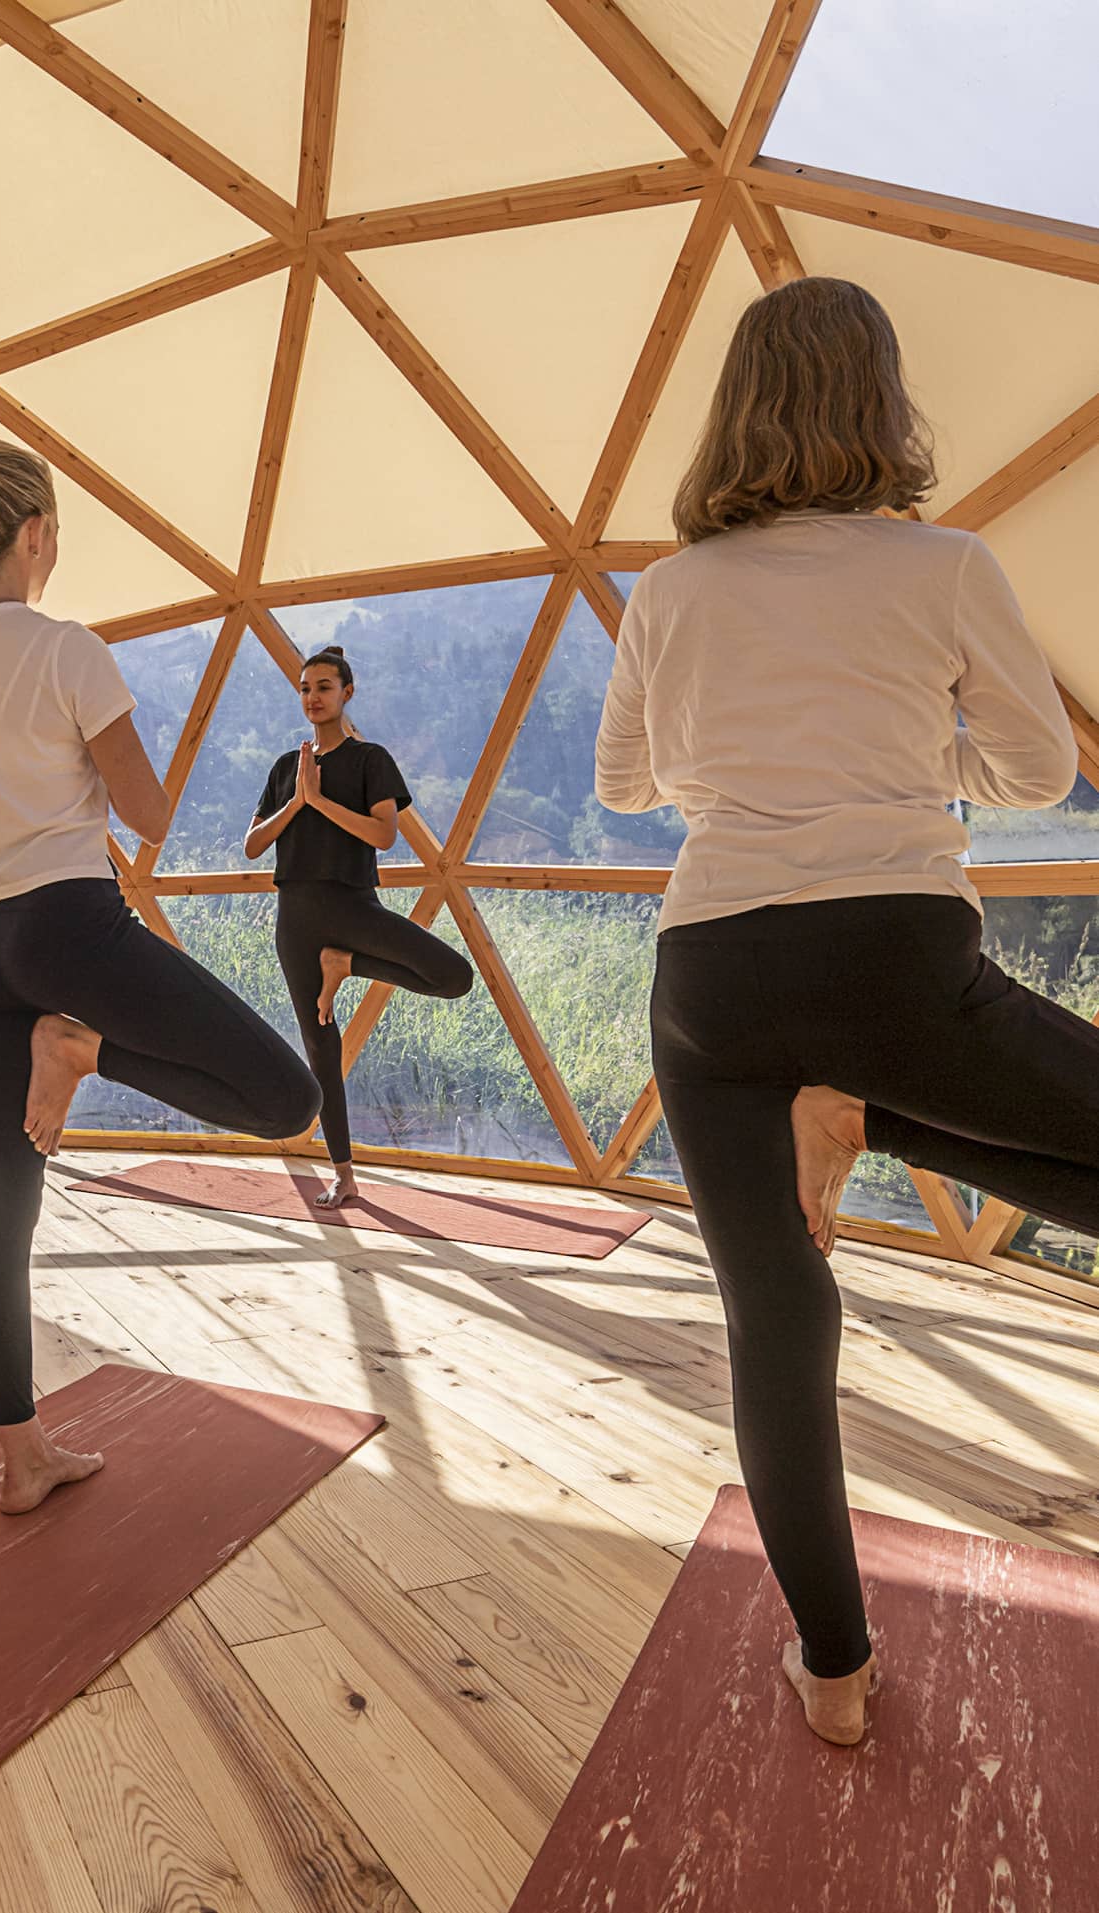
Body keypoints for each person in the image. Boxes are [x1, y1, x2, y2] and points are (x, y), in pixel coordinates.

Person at [596, 275, 1086, 1748]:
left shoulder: (671, 589)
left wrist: (743, 761)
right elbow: (1038, 771)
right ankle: (860, 1110)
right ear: (880, 400)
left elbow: (626, 786)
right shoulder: (938, 567)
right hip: (891, 959)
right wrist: (901, 733)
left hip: (714, 979)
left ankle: (833, 1673)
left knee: (775, 1321)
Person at [0, 429, 320, 1514]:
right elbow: (149, 810)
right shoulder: (68, 648)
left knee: (6, 1201)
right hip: (70, 923)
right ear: (35, 533)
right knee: (284, 1096)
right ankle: (81, 1045)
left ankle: (21, 1455)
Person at [245, 645, 473, 1208]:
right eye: (304, 688)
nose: (312, 697)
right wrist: (297, 802)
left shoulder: (371, 759)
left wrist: (319, 801)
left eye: (323, 686)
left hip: (352, 906)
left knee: (452, 975)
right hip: (296, 915)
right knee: (321, 1048)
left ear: (348, 692)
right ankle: (345, 1176)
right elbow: (252, 845)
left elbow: (382, 836)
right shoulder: (285, 768)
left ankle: (344, 964)